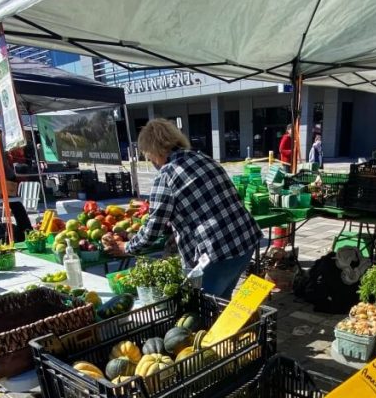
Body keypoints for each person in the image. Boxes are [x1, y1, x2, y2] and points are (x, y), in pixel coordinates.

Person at [103, 119, 261, 299]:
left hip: (218, 252)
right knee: (221, 302)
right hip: (245, 241)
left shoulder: (167, 174)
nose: (151, 161)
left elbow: (153, 228)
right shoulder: (203, 157)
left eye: (149, 155)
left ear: (154, 151)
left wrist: (127, 247)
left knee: (201, 307)